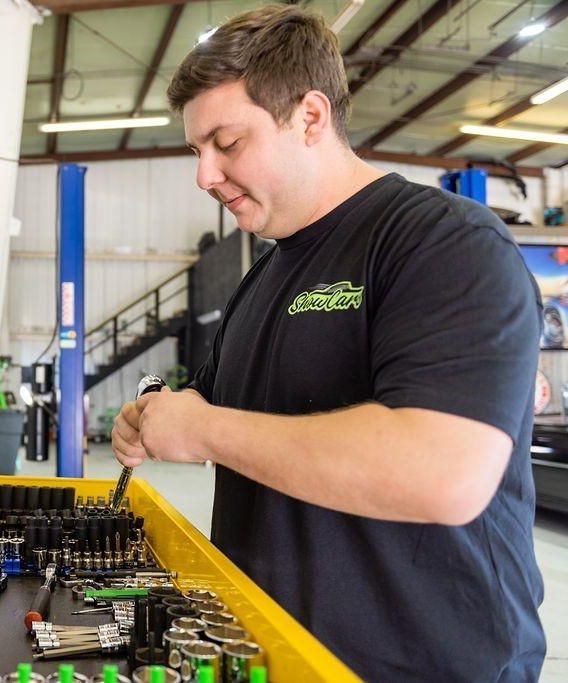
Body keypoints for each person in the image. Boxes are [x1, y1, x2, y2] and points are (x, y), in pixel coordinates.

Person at [111, 5, 545, 680]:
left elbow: (443, 472)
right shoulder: (265, 276)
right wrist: (155, 408)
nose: (203, 175)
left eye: (227, 143)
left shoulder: (442, 242)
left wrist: (204, 430)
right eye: (197, 151)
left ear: (310, 117)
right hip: (272, 655)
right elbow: (213, 399)